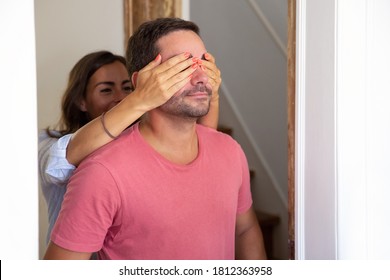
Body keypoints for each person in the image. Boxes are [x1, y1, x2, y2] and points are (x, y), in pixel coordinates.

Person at [44, 18, 266, 260]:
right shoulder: (102, 172)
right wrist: (140, 98)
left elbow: (245, 229)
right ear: (143, 82)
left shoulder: (230, 151)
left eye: (204, 64)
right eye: (182, 67)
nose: (202, 77)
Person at [38, 50, 220, 243]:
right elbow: (59, 163)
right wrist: (139, 100)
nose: (120, 97)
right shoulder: (48, 142)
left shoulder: (143, 143)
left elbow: (203, 141)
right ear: (81, 101)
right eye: (106, 90)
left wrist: (211, 93)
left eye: (127, 88)